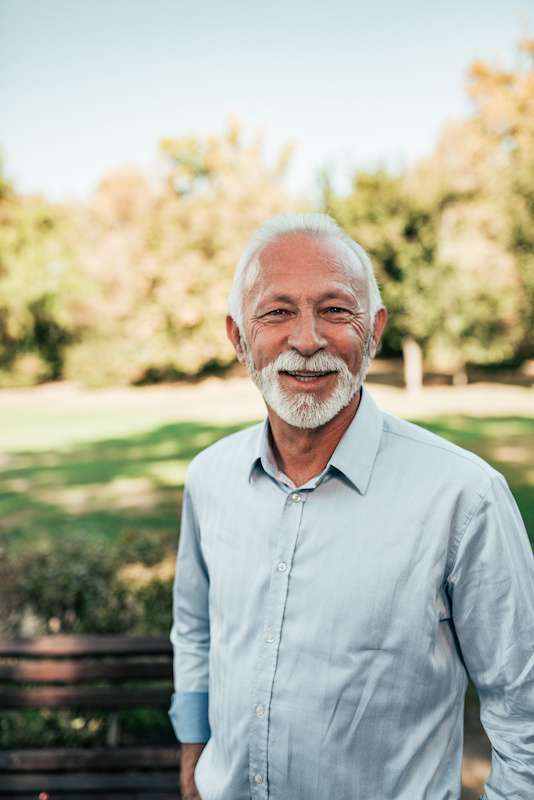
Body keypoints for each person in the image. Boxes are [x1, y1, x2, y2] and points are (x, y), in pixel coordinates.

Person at [168, 213, 534, 800]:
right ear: (238, 337)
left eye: (336, 310)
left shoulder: (465, 498)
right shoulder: (209, 478)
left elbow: (525, 707)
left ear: (374, 331)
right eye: (277, 311)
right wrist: (193, 757)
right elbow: (195, 629)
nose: (307, 339)